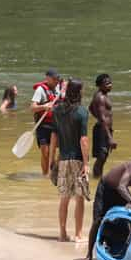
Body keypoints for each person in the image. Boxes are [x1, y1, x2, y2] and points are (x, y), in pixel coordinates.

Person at [49, 79, 90, 243]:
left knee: (64, 198)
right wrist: (86, 163)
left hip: (63, 159)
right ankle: (79, 234)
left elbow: (54, 136)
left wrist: (52, 158)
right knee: (79, 198)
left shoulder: (57, 110)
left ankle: (62, 234)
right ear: (79, 92)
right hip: (78, 160)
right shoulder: (82, 112)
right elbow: (84, 140)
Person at [31, 69, 60, 175]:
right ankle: (45, 175)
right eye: (54, 79)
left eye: (58, 79)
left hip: (56, 125)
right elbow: (33, 107)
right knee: (45, 152)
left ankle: (54, 173)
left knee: (55, 152)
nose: (57, 81)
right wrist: (44, 106)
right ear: (48, 79)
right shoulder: (40, 90)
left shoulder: (59, 88)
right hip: (43, 125)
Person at [89, 74, 117, 178]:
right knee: (102, 156)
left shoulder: (102, 94)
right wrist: (110, 138)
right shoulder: (100, 97)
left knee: (103, 156)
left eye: (110, 82)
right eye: (107, 84)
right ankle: (97, 179)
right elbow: (102, 118)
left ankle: (97, 178)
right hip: (102, 130)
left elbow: (90, 108)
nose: (110, 85)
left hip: (103, 129)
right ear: (100, 85)